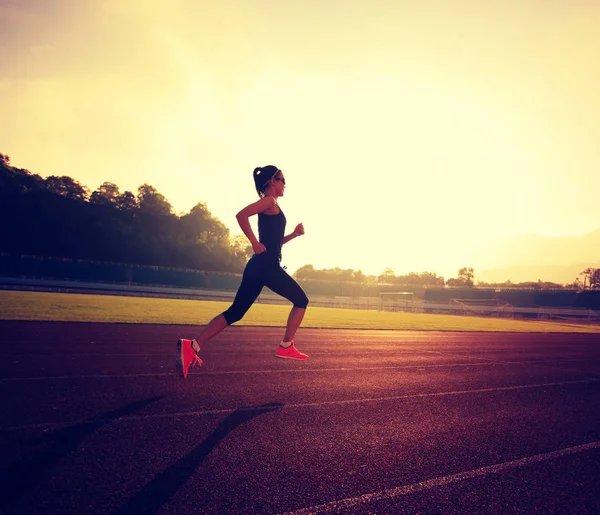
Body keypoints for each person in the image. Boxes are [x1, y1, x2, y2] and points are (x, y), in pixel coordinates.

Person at [176, 165, 310, 378]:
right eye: (283, 179)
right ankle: (286, 345)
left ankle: (192, 346)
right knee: (301, 300)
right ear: (272, 182)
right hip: (266, 265)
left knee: (236, 312)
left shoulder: (271, 204)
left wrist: (293, 235)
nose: (285, 184)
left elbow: (274, 244)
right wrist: (254, 242)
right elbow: (241, 215)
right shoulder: (270, 201)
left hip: (257, 266)